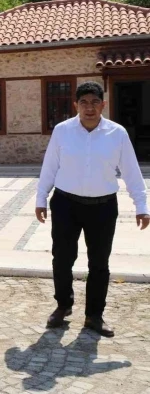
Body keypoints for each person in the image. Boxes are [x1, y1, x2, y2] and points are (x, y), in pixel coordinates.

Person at [36, 81, 149, 337]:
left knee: (99, 262)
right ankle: (63, 305)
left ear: (103, 105)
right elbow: (50, 166)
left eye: (95, 102)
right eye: (84, 103)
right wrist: (41, 198)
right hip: (65, 204)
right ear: (75, 105)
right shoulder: (62, 131)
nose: (89, 108)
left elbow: (131, 171)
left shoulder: (117, 133)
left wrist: (141, 205)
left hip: (103, 207)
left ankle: (94, 315)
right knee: (62, 258)